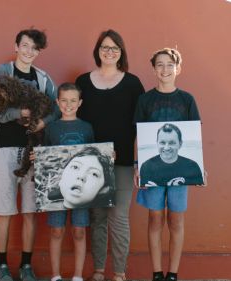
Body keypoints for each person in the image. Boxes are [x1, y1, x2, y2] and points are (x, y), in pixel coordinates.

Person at [0, 27, 58, 281]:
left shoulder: (44, 78)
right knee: (4, 210)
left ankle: (26, 265)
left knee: (29, 212)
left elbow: (56, 110)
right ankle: (0, 266)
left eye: (34, 48)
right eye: (24, 46)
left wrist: (41, 123)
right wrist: (22, 115)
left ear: (39, 52)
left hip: (33, 152)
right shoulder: (2, 72)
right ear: (16, 46)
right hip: (4, 148)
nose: (29, 51)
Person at [75, 29, 145, 281]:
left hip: (123, 162)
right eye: (105, 47)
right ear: (97, 51)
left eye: (114, 48)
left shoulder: (133, 83)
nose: (109, 52)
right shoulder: (82, 82)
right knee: (98, 217)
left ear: (121, 53)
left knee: (119, 218)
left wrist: (141, 161)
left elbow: (143, 126)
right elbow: (74, 121)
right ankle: (98, 270)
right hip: (91, 164)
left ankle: (118, 273)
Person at [133, 48, 201, 281]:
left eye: (170, 64)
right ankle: (156, 272)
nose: (165, 69)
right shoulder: (145, 100)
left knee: (176, 218)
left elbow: (194, 136)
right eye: (159, 64)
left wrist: (200, 167)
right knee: (155, 218)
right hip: (152, 169)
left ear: (178, 68)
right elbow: (138, 135)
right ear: (154, 69)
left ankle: (172, 273)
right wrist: (137, 165)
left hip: (180, 170)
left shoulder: (187, 99)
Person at [44, 83, 94, 281]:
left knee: (79, 230)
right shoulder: (51, 128)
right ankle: (55, 275)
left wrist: (109, 156)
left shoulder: (87, 128)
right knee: (56, 230)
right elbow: (45, 157)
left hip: (81, 189)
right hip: (57, 188)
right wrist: (37, 158)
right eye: (64, 100)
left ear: (80, 102)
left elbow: (94, 157)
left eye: (73, 101)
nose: (68, 104)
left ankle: (78, 276)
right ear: (57, 102)